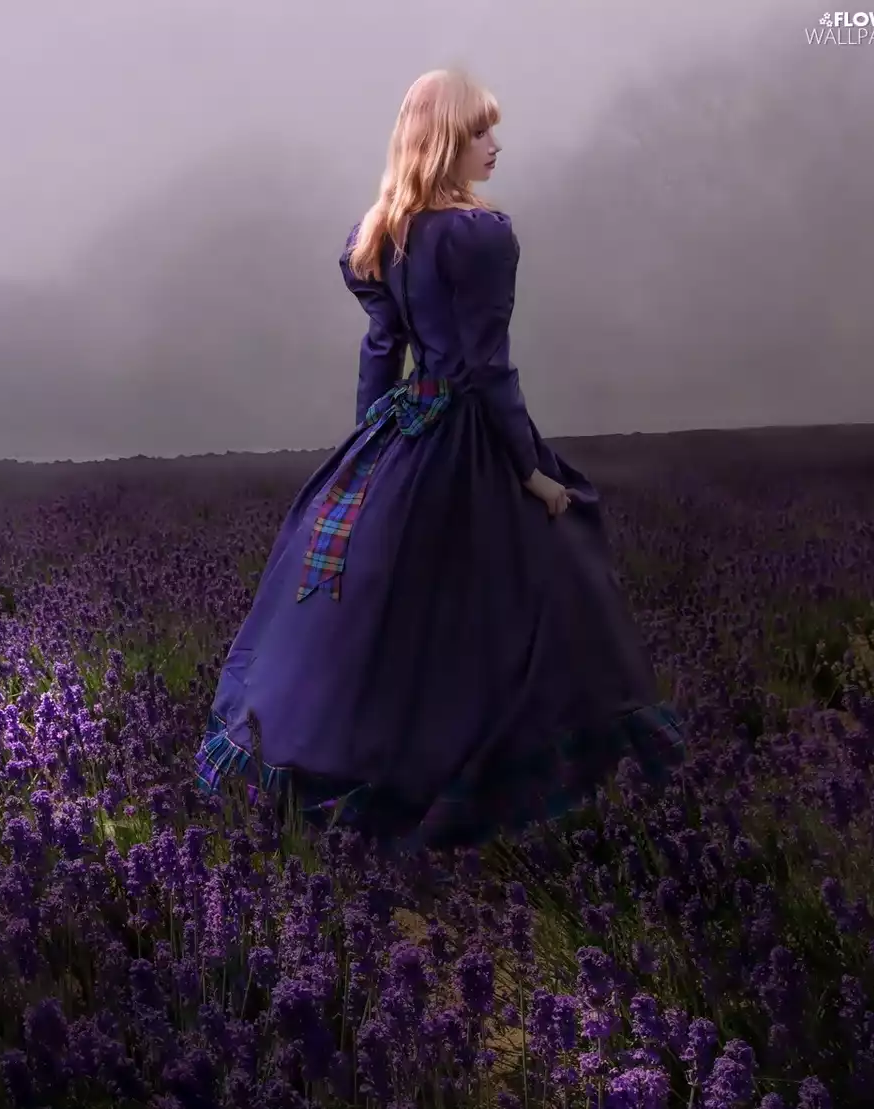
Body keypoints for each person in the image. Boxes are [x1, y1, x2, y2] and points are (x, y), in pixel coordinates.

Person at [193, 68, 686, 852]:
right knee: (531, 592)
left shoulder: (382, 229)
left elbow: (382, 351)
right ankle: (513, 779)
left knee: (383, 618)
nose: (496, 146)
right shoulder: (480, 234)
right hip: (468, 439)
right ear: (445, 140)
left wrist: (370, 453)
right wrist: (531, 471)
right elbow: (487, 367)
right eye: (480, 131)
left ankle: (349, 763)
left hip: (405, 428)